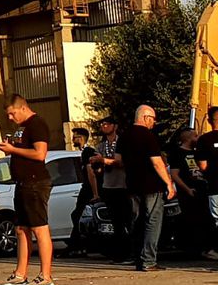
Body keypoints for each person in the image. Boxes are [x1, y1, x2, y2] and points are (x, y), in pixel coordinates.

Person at [0, 95, 54, 285]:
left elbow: (40, 153)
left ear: (23, 108)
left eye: (12, 113)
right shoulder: (22, 128)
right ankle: (20, 274)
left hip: (36, 182)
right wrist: (9, 149)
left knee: (39, 228)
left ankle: (46, 276)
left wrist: (14, 149)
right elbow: (21, 150)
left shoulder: (37, 124)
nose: (10, 118)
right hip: (22, 183)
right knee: (21, 229)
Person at [115, 105, 176, 271]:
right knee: (152, 222)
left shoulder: (124, 136)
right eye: (153, 119)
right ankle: (149, 260)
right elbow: (157, 162)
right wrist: (169, 183)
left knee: (136, 221)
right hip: (151, 185)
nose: (154, 123)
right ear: (145, 117)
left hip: (132, 185)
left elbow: (118, 160)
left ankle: (138, 258)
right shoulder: (148, 136)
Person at [168, 127, 213, 259]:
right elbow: (174, 174)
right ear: (188, 138)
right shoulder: (178, 153)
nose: (198, 139)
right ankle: (194, 250)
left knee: (205, 219)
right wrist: (187, 189)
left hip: (201, 189)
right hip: (187, 192)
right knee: (192, 220)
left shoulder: (198, 152)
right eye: (195, 136)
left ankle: (206, 248)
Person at [90, 117, 129, 262]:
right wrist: (97, 164)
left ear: (115, 126)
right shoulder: (101, 146)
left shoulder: (122, 143)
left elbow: (121, 163)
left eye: (107, 124)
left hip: (123, 185)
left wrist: (103, 160)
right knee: (115, 222)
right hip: (109, 186)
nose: (104, 126)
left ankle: (130, 251)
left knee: (128, 220)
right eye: (102, 124)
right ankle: (119, 254)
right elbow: (98, 168)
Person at [65, 127, 99, 257]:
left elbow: (91, 173)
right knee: (77, 215)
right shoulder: (84, 152)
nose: (73, 139)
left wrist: (95, 193)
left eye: (75, 137)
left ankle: (77, 246)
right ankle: (77, 245)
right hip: (87, 187)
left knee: (78, 215)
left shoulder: (87, 152)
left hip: (88, 188)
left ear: (81, 138)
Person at [197, 106, 218, 258]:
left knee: (217, 218)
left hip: (215, 184)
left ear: (210, 121)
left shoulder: (204, 140)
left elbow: (202, 165)